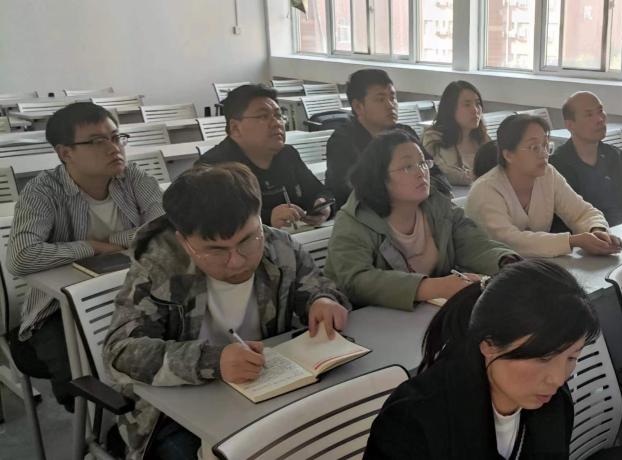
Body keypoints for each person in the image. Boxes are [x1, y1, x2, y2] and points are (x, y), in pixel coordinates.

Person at [103, 163, 351, 460]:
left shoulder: (280, 246)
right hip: (178, 417)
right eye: (215, 250)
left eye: (247, 240)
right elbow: (120, 351)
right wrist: (213, 361)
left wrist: (322, 301)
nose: (237, 261)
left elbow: (319, 286)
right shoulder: (158, 266)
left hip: (272, 395)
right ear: (184, 241)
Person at [6, 102, 163, 413]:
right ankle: (97, 430)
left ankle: (148, 419)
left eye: (116, 137)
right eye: (97, 141)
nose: (114, 148)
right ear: (66, 153)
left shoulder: (134, 178)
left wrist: (113, 241)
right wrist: (92, 247)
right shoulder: (42, 192)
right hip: (57, 309)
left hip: (131, 293)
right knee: (85, 377)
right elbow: (21, 258)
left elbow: (163, 229)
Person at [365, 259, 601, 459]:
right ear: (489, 345)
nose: (558, 379)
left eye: (572, 357)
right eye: (543, 358)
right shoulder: (412, 422)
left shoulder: (555, 402)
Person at [325, 130, 518, 310]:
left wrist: (507, 263)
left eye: (423, 163)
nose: (421, 172)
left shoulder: (438, 205)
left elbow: (474, 244)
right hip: (370, 320)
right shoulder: (354, 220)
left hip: (430, 314)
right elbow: (356, 281)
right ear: (379, 176)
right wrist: (433, 287)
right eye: (407, 167)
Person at [466, 114, 622, 258]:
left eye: (546, 145)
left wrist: (597, 231)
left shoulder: (548, 174)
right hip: (490, 272)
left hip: (536, 265)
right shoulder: (485, 190)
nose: (544, 154)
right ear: (508, 155)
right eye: (534, 147)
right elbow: (509, 241)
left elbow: (582, 212)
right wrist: (573, 241)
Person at [196, 84, 332, 229]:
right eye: (263, 116)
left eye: (278, 115)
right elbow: (215, 221)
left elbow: (318, 191)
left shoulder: (287, 154)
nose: (276, 123)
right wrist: (267, 219)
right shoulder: (212, 168)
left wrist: (322, 205)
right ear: (235, 128)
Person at [324, 69, 450, 202]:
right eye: (380, 99)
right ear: (358, 106)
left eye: (393, 97)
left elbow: (437, 176)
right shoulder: (342, 141)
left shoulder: (405, 133)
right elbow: (349, 191)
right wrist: (408, 189)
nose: (391, 105)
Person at [550, 91, 622, 226]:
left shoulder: (616, 156)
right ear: (570, 125)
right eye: (589, 115)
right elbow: (564, 221)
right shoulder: (557, 166)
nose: (600, 119)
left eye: (600, 111)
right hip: (590, 234)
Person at [421, 81, 489, 186]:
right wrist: (480, 178)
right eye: (467, 105)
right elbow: (443, 172)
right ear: (450, 109)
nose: (475, 110)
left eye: (477, 104)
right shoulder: (433, 137)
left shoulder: (483, 138)